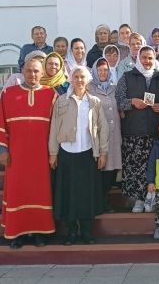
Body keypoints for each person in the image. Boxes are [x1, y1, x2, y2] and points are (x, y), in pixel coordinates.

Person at [0, 56, 56, 249]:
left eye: (36, 71)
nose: (32, 74)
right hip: (16, 156)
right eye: (29, 71)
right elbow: (0, 124)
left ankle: (40, 233)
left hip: (41, 156)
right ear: (22, 72)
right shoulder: (9, 94)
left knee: (40, 193)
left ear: (42, 73)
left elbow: (56, 128)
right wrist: (2, 150)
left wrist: (53, 153)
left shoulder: (51, 95)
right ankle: (18, 234)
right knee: (18, 193)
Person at [49, 65, 109, 245]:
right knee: (68, 194)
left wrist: (103, 152)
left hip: (87, 154)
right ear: (70, 80)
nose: (79, 80)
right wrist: (53, 153)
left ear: (88, 80)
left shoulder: (94, 102)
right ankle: (71, 232)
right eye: (76, 77)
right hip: (67, 154)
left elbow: (102, 128)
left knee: (86, 195)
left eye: (83, 77)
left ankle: (87, 232)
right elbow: (54, 128)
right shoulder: (61, 101)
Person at [115, 46, 159, 212]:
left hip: (155, 132)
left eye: (150, 58)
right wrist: (132, 102)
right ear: (138, 59)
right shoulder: (127, 77)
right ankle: (138, 201)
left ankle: (153, 199)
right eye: (144, 58)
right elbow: (118, 100)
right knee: (135, 168)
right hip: (133, 131)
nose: (147, 62)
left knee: (155, 167)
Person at [89, 57, 123, 211]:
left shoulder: (114, 88)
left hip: (115, 135)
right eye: (100, 70)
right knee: (100, 169)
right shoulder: (89, 88)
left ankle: (104, 199)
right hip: (98, 136)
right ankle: (99, 202)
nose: (103, 72)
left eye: (105, 70)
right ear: (95, 71)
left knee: (112, 169)